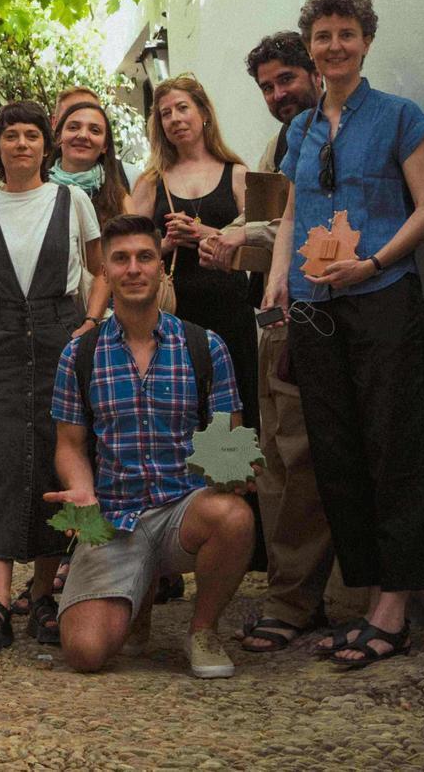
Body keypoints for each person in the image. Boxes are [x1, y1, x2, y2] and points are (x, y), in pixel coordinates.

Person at [265, 0, 424, 668]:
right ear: (310, 50)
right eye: (323, 36)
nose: (335, 45)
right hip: (314, 307)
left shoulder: (399, 116)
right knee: (337, 454)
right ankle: (370, 600)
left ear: (366, 41)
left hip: (384, 297)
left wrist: (372, 262)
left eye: (346, 33)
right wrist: (279, 275)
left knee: (391, 446)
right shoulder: (300, 131)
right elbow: (292, 212)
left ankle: (394, 611)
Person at [47, 215, 253, 678]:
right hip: (114, 517)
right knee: (85, 653)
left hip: (184, 511)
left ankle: (203, 630)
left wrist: (233, 469)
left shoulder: (205, 346)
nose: (134, 268)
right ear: (105, 272)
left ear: (161, 267)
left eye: (145, 257)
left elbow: (227, 435)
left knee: (234, 517)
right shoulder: (79, 354)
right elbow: (70, 446)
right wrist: (81, 493)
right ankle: (137, 601)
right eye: (121, 259)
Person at [197, 31, 338, 653]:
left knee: (298, 457)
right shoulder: (280, 144)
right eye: (267, 87)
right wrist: (222, 240)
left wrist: (237, 236)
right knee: (274, 456)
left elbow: (301, 225)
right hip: (258, 322)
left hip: (309, 312)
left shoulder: (321, 138)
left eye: (286, 80)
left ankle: (300, 596)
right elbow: (265, 226)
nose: (278, 94)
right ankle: (281, 586)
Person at [0, 102, 105, 653]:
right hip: (2, 338)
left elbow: (101, 269)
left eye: (32, 135)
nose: (21, 144)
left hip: (60, 334)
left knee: (54, 455)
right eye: (11, 136)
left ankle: (42, 596)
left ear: (47, 145)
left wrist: (89, 324)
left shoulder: (72, 200)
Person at [130, 76, 258, 432]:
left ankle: (232, 470)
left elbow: (261, 244)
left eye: (182, 108)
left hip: (231, 312)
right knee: (179, 411)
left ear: (203, 113)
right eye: (165, 113)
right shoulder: (151, 182)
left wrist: (208, 234)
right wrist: (165, 245)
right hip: (174, 313)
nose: (174, 119)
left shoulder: (238, 174)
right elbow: (129, 250)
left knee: (235, 415)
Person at [50, 93, 131, 220]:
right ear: (59, 136)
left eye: (95, 130)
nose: (83, 135)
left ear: (105, 145)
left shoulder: (122, 203)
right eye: (73, 127)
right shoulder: (35, 189)